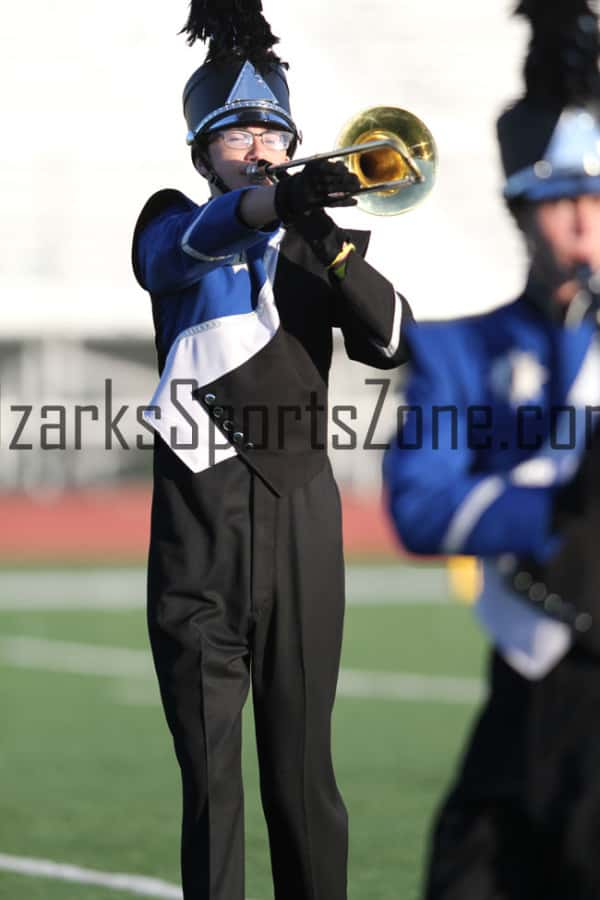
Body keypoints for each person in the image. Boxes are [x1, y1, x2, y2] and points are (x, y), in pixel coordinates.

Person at [131, 3, 413, 899]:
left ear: (294, 141)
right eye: (236, 134)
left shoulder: (314, 243)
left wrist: (322, 237)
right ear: (202, 152)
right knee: (210, 788)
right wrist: (268, 201)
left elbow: (395, 337)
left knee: (302, 781)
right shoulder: (173, 219)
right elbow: (181, 252)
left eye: (273, 133)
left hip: (300, 525)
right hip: (196, 532)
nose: (257, 145)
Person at [383, 1, 600, 897]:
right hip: (532, 683)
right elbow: (420, 505)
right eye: (562, 201)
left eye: (598, 197)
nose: (585, 222)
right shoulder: (456, 352)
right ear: (520, 208)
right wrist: (560, 500)